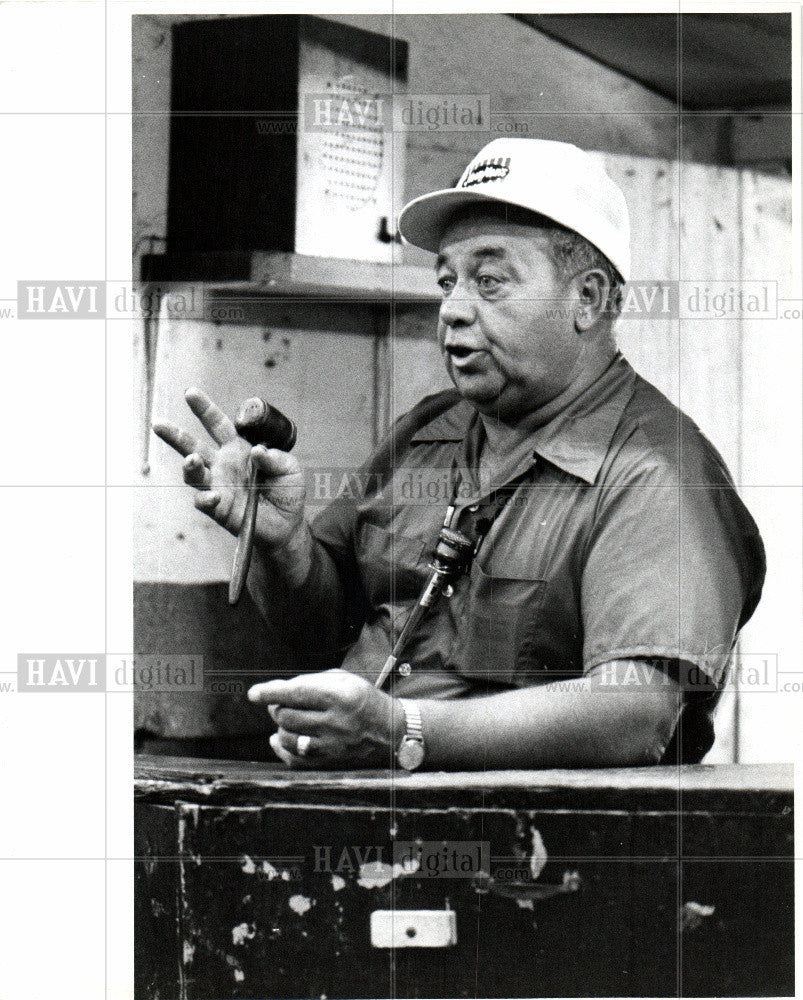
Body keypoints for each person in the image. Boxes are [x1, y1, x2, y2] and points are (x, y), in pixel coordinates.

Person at [153, 138, 765, 772]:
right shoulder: (427, 433)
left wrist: (401, 730)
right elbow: (322, 630)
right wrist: (285, 546)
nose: (451, 310)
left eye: (489, 281)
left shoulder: (658, 475)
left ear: (589, 299)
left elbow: (634, 717)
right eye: (447, 281)